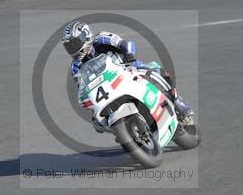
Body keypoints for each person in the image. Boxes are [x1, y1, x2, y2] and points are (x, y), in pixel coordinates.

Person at [60, 20, 193, 126]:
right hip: (107, 88)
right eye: (69, 46)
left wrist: (129, 54)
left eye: (74, 43)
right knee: (97, 122)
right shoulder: (75, 67)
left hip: (128, 69)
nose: (72, 49)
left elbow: (123, 43)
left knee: (156, 71)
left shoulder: (101, 38)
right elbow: (82, 88)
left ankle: (178, 103)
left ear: (86, 36)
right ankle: (125, 131)